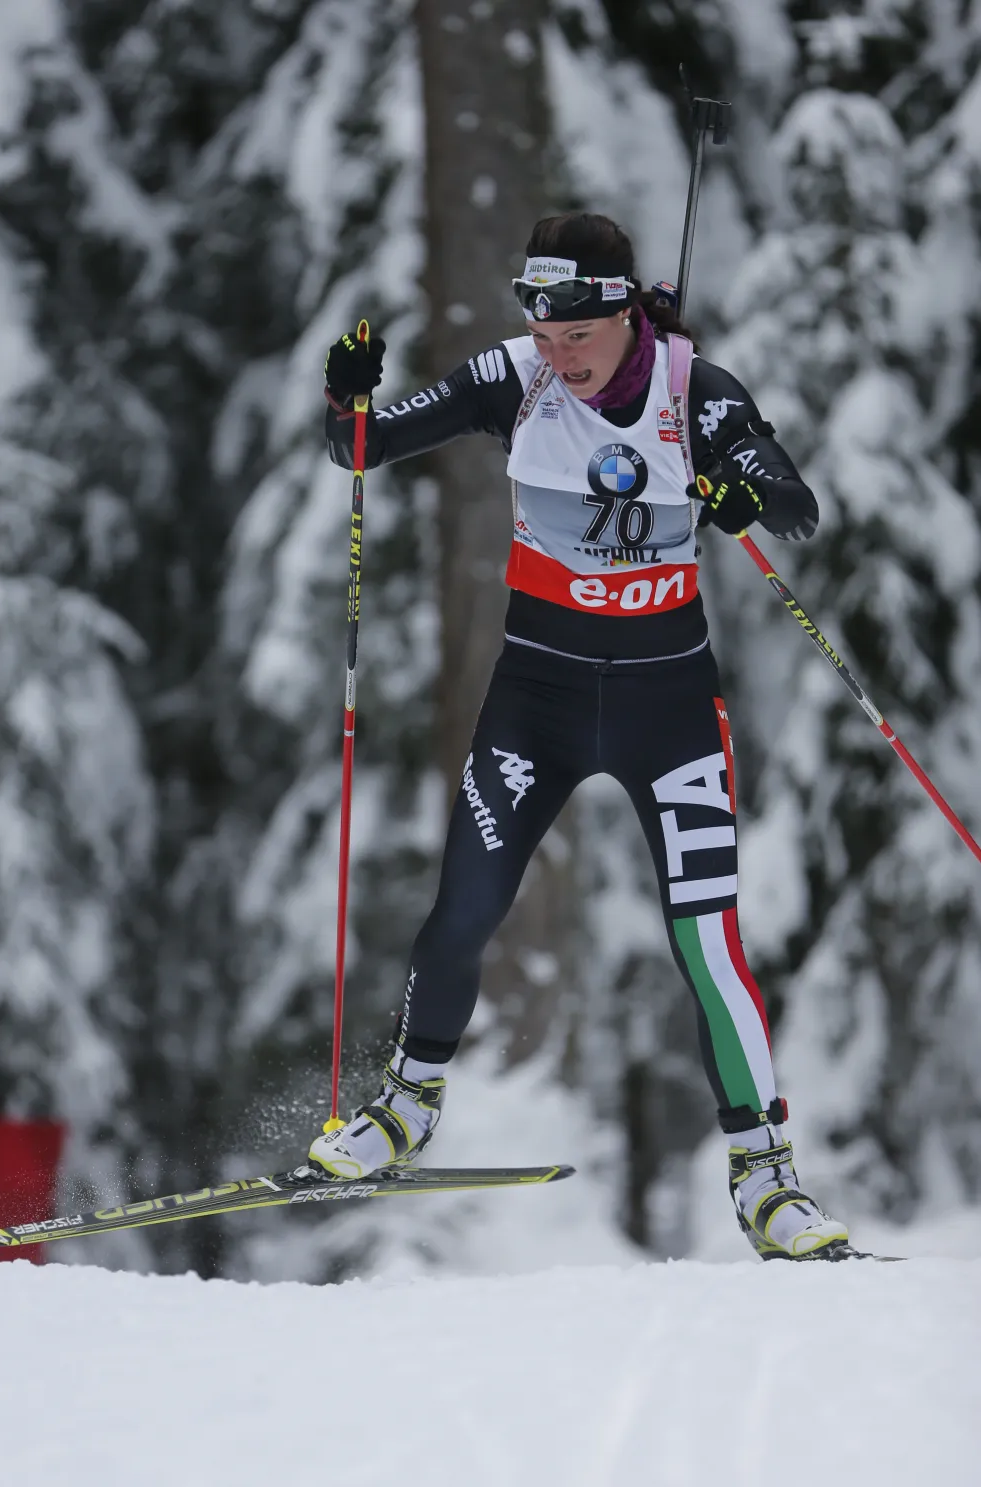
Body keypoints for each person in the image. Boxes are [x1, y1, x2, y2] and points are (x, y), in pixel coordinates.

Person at [309, 212, 848, 1261]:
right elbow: (361, 445)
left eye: (577, 339)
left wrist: (741, 490)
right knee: (462, 908)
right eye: (543, 336)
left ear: (623, 310)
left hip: (668, 710)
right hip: (537, 702)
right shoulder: (515, 377)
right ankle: (405, 1107)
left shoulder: (699, 390)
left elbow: (793, 501)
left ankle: (765, 1178)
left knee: (709, 943)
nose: (558, 359)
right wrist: (347, 391)